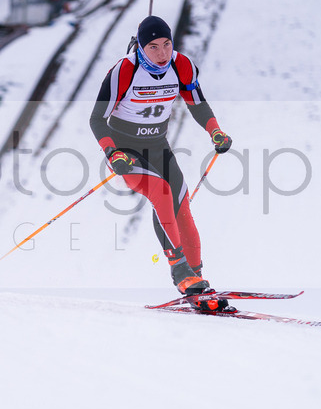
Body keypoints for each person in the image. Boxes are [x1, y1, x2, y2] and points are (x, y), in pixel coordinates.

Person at [89, 15, 233, 312]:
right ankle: (180, 273)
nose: (162, 53)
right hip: (127, 152)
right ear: (141, 47)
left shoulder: (182, 65)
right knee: (162, 192)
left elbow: (197, 103)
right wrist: (112, 153)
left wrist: (215, 130)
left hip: (158, 145)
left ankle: (197, 280)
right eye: (153, 47)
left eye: (167, 44)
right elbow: (96, 119)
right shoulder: (125, 70)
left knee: (181, 204)